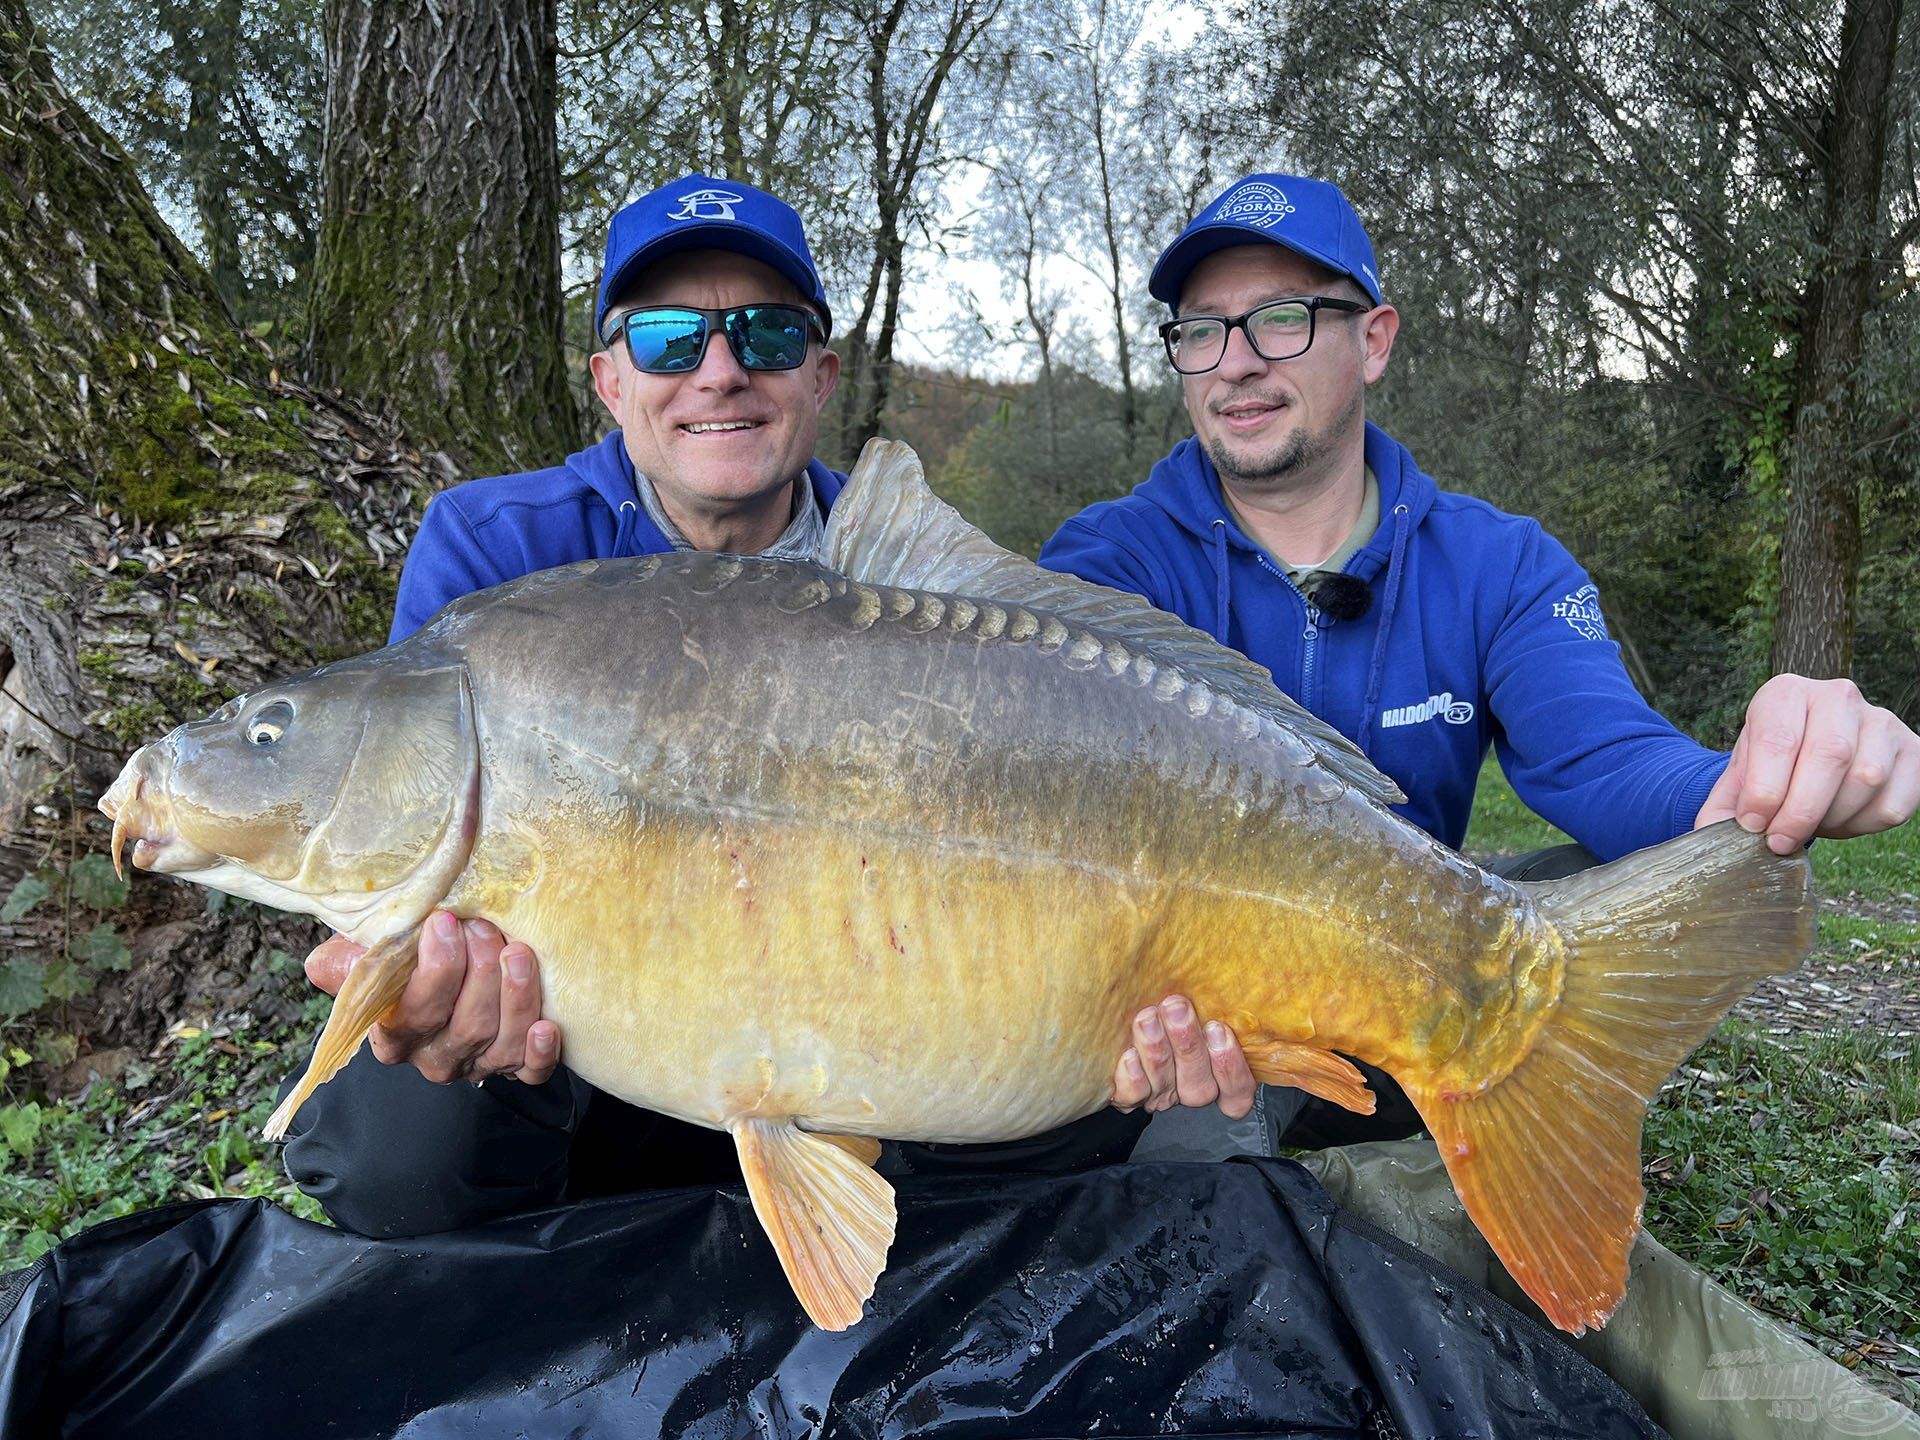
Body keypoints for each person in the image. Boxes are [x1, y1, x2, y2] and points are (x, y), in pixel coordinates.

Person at [282, 175, 1147, 1237]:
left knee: (1084, 1085)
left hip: (876, 1006)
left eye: (766, 337)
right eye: (668, 339)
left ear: (823, 373)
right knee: (397, 1149)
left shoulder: (927, 598)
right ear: (609, 380)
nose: (721, 372)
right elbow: (411, 833)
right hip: (584, 1036)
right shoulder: (496, 552)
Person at [1038, 173, 1920, 1143]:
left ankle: (1507, 1123)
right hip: (1193, 1018)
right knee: (1194, 1150)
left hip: (1406, 986)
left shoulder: (1499, 565)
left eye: (1281, 320)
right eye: (1202, 331)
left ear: (1373, 341)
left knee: (1601, 880)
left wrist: (1762, 778)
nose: (1236, 365)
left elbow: (1611, 762)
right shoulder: (1104, 565)